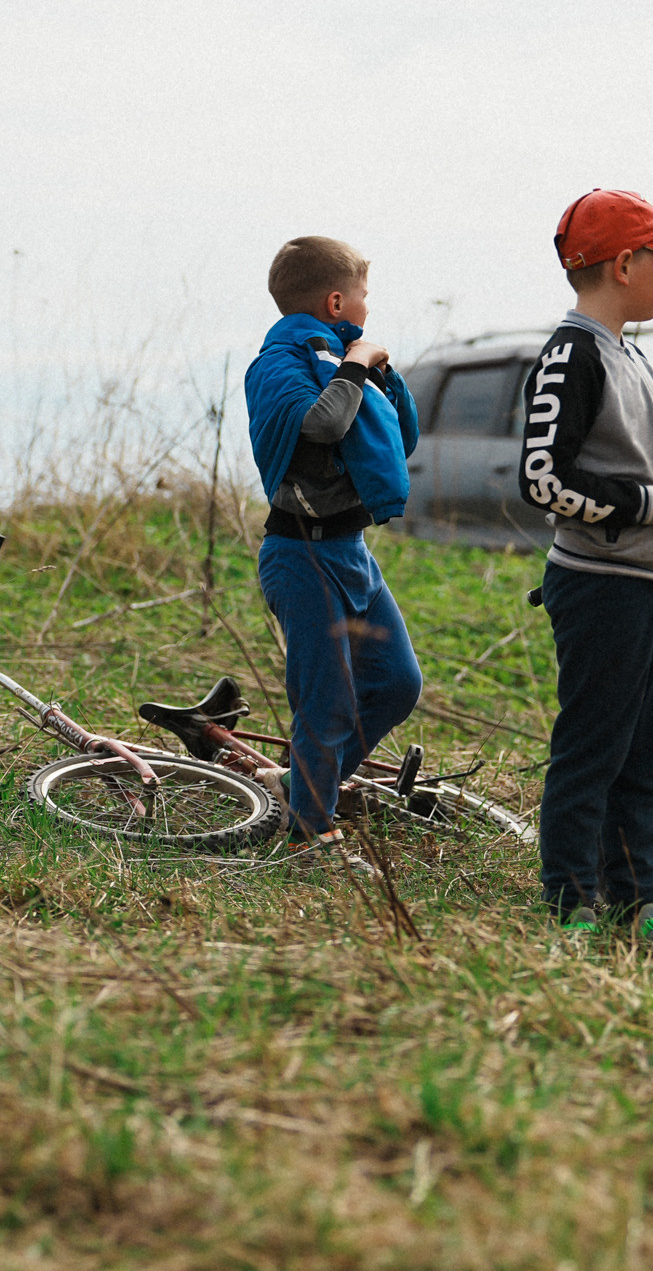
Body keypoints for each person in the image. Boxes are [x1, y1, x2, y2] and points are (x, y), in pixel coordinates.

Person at [520, 189, 653, 954]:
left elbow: (631, 460)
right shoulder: (572, 351)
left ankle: (637, 909)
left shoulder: (627, 351)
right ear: (624, 262)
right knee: (593, 750)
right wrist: (650, 505)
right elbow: (541, 477)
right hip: (604, 585)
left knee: (650, 754)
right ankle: (571, 906)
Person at [244, 236, 425, 859]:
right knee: (327, 704)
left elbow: (400, 437)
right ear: (337, 300)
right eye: (365, 297)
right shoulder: (278, 365)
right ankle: (309, 833)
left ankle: (300, 787)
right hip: (303, 554)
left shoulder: (336, 355)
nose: (370, 308)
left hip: (351, 552)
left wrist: (378, 371)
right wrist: (354, 366)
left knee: (398, 683)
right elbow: (321, 424)